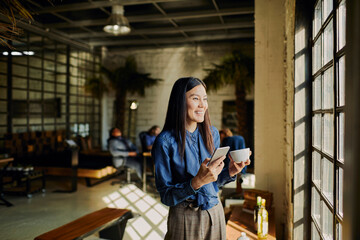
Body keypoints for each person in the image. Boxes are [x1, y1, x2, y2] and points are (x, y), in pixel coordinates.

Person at [152, 77, 251, 240]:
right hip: (185, 216)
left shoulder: (212, 133)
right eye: (195, 98)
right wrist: (196, 182)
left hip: (215, 211)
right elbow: (166, 196)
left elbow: (212, 183)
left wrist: (230, 172)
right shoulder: (165, 142)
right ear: (180, 102)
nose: (202, 105)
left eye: (204, 99)